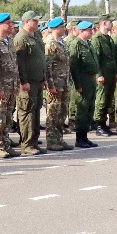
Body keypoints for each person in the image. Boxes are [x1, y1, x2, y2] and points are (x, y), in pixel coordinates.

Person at [13, 11, 46, 155]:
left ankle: (34, 142)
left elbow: (40, 58)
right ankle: (26, 144)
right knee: (27, 113)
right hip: (28, 83)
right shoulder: (21, 38)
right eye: (35, 21)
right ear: (26, 22)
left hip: (37, 81)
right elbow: (19, 63)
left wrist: (43, 78)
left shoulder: (36, 36)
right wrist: (23, 81)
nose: (37, 23)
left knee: (35, 112)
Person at [0, 13, 19, 159]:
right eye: (9, 23)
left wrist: (16, 84)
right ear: (0, 25)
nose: (12, 26)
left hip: (11, 86)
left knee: (8, 118)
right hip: (0, 87)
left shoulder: (9, 41)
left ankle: (6, 144)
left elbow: (14, 65)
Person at [67, 21, 100, 148]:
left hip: (91, 79)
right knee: (82, 110)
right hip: (82, 79)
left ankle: (85, 137)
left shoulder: (88, 44)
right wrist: (77, 84)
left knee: (90, 109)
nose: (92, 32)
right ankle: (79, 138)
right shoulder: (76, 44)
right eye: (89, 30)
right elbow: (74, 66)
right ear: (81, 31)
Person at [42, 18, 72, 151]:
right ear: (55, 28)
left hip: (64, 82)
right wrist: (50, 85)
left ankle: (59, 138)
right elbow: (47, 66)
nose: (64, 29)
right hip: (55, 83)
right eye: (61, 27)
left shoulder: (62, 42)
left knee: (62, 112)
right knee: (53, 112)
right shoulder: (50, 43)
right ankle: (51, 140)